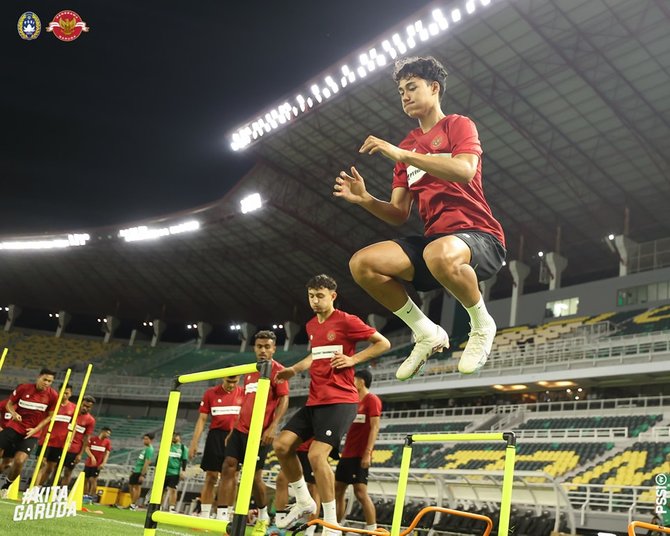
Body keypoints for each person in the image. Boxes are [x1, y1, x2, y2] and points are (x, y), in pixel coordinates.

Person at [334, 55, 506, 381]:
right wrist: (365, 199)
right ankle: (425, 332)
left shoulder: (457, 125)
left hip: (479, 236)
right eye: (401, 91)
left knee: (437, 252)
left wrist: (406, 155)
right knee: (363, 264)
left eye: (411, 87)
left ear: (434, 87)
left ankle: (482, 324)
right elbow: (399, 214)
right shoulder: (406, 147)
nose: (405, 96)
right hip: (434, 244)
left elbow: (465, 170)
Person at [273, 274, 390, 536]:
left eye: (320, 296)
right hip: (316, 400)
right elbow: (315, 355)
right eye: (311, 296)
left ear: (333, 296)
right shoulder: (311, 325)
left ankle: (332, 525)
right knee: (281, 445)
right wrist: (294, 369)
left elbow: (383, 343)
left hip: (341, 401)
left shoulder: (347, 321)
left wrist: (353, 360)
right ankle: (304, 501)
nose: (315, 301)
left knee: (316, 455)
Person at [217, 330, 289, 536]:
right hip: (240, 430)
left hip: (260, 433)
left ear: (274, 348)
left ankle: (264, 514)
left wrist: (273, 427)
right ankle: (223, 517)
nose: (263, 350)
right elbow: (246, 403)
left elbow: (284, 399)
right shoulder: (249, 371)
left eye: (267, 347)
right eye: (259, 346)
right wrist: (233, 428)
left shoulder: (278, 371)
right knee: (228, 466)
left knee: (254, 476)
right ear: (254, 348)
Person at [189, 375, 244, 519]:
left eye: (235, 382)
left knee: (232, 477)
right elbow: (202, 419)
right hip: (215, 436)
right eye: (228, 381)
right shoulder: (210, 393)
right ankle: (205, 514)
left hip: (235, 436)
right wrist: (194, 442)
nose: (231, 385)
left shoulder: (244, 393)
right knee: (211, 476)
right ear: (223, 378)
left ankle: (226, 514)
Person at [335, 369, 381, 533]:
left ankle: (372, 529)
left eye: (354, 379)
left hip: (360, 454)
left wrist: (368, 452)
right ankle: (336, 527)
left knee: (360, 492)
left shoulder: (372, 400)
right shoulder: (353, 401)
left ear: (361, 381)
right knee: (338, 490)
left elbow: (375, 427)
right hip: (347, 454)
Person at [0, 368, 59, 494]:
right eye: (45, 380)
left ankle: (6, 486)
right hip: (14, 427)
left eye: (50, 381)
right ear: (39, 377)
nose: (47, 383)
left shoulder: (53, 395)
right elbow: (9, 404)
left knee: (19, 461)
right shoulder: (23, 388)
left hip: (31, 433)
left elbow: (51, 416)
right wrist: (14, 413)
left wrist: (36, 429)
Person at [273, 438, 320, 536]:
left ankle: (310, 529)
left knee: (313, 487)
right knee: (281, 480)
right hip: (295, 446)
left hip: (312, 447)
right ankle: (280, 525)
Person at [37, 382, 75, 486]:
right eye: (62, 392)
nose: (64, 395)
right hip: (46, 438)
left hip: (60, 442)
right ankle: (33, 488)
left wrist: (70, 440)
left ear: (70, 394)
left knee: (50, 468)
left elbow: (73, 425)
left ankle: (38, 488)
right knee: (41, 464)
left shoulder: (73, 408)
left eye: (67, 393)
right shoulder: (52, 404)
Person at [61, 395, 97, 486]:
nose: (85, 408)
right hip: (61, 445)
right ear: (80, 403)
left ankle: (62, 493)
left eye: (88, 407)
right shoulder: (71, 412)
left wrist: (80, 454)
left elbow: (86, 438)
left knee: (68, 472)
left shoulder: (90, 420)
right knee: (55, 468)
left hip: (74, 449)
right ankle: (50, 490)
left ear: (91, 408)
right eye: (84, 405)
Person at [128, 432, 155, 510]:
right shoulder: (145, 449)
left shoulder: (150, 449)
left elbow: (147, 462)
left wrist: (143, 474)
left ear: (151, 440)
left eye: (146, 439)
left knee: (137, 487)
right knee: (131, 485)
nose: (144, 440)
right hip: (136, 470)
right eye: (144, 439)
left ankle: (133, 504)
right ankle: (132, 502)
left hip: (140, 471)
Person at [84, 426, 112, 498]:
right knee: (85, 479)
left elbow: (107, 453)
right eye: (107, 433)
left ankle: (92, 496)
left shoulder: (107, 442)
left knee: (93, 479)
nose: (108, 435)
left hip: (97, 464)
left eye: (109, 434)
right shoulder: (93, 439)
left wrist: (103, 463)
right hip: (89, 463)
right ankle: (85, 495)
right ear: (103, 432)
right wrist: (92, 456)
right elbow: (87, 449)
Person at [163, 432, 188, 512]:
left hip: (174, 473)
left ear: (179, 437)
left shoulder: (183, 448)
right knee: (161, 491)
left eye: (175, 436)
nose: (173, 437)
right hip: (164, 471)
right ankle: (158, 506)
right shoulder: (167, 446)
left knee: (173, 490)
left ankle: (171, 507)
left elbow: (184, 460)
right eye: (172, 436)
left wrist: (183, 471)